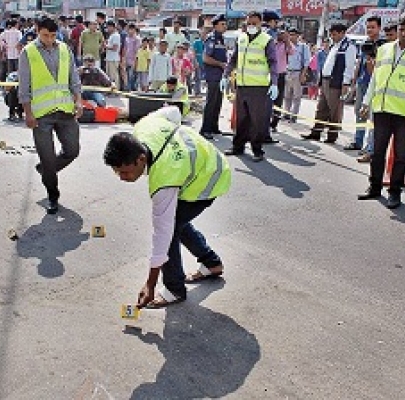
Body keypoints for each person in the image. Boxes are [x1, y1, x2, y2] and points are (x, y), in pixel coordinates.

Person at [102, 106, 230, 309]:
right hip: (206, 162)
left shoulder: (164, 180)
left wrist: (149, 284)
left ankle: (174, 289)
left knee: (169, 230)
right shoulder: (144, 127)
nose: (122, 178)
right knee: (176, 221)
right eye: (117, 172)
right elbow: (173, 112)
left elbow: (161, 236)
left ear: (141, 159)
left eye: (125, 172)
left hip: (210, 179)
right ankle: (211, 263)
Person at [358, 11, 405, 209]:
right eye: (401, 29)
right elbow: (375, 79)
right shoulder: (384, 49)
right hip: (382, 110)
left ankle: (395, 193)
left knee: (401, 156)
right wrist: (367, 102)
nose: (404, 34)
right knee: (377, 152)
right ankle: (374, 188)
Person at [18, 17, 83, 214]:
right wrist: (28, 114)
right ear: (37, 31)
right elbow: (24, 86)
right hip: (41, 115)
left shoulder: (64, 49)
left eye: (53, 35)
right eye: (45, 35)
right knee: (47, 158)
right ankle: (52, 195)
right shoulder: (28, 52)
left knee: (72, 150)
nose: (49, 39)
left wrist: (78, 101)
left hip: (65, 112)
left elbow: (74, 78)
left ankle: (45, 170)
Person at [221, 11, 278, 162]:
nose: (251, 26)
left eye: (254, 23)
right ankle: (238, 146)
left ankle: (257, 150)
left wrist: (274, 83)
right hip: (242, 85)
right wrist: (225, 75)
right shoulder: (241, 38)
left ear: (260, 24)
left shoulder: (267, 40)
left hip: (259, 87)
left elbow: (273, 62)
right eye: (249, 23)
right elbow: (233, 60)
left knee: (256, 120)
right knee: (241, 119)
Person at [302, 23, 356, 144]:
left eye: (335, 34)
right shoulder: (334, 46)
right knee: (321, 108)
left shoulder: (349, 47)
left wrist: (345, 84)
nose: (332, 36)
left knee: (334, 110)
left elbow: (349, 67)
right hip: (326, 80)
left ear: (342, 33)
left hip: (336, 83)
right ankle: (316, 132)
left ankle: (332, 136)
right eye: (331, 34)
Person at [345, 16, 381, 153]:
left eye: (373, 27)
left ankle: (370, 147)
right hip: (361, 82)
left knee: (372, 116)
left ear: (379, 28)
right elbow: (359, 63)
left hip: (375, 85)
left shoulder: (382, 46)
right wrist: (353, 81)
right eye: (368, 27)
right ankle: (358, 141)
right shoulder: (364, 43)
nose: (370, 30)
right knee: (359, 112)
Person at [200, 15, 227, 139]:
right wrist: (220, 64)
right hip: (213, 75)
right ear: (215, 26)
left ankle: (214, 127)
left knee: (218, 102)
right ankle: (205, 129)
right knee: (211, 102)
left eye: (225, 24)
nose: (224, 26)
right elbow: (205, 58)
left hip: (220, 76)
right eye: (222, 24)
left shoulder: (221, 39)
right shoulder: (211, 39)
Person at [269, 28, 294, 133]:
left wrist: (287, 40)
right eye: (279, 34)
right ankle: (265, 121)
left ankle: (274, 123)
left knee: (278, 100)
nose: (281, 36)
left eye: (283, 35)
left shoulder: (286, 46)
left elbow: (292, 51)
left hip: (281, 75)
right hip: (270, 75)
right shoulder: (272, 44)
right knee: (268, 100)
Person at [283, 27, 310, 124]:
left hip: (298, 72)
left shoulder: (303, 47)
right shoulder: (286, 46)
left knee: (297, 96)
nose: (291, 36)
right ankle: (286, 113)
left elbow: (307, 62)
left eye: (293, 34)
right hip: (287, 71)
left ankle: (294, 116)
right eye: (290, 34)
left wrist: (303, 74)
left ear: (298, 35)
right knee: (286, 95)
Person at [123, 23, 141, 91]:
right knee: (128, 77)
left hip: (134, 61)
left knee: (132, 77)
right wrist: (124, 59)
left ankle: (132, 91)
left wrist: (135, 63)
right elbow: (125, 49)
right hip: (127, 60)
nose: (130, 31)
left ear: (134, 30)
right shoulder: (127, 38)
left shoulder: (137, 39)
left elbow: (137, 52)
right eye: (129, 29)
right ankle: (129, 91)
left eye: (131, 29)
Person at [104, 20, 121, 90]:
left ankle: (115, 90)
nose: (107, 29)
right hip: (109, 58)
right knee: (109, 76)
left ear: (112, 27)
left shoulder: (116, 36)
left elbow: (115, 48)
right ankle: (111, 90)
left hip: (113, 59)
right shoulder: (112, 35)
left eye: (108, 27)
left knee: (114, 76)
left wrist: (105, 46)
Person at [191, 27, 206, 96]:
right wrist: (195, 61)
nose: (204, 35)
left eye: (205, 34)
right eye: (203, 34)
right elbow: (193, 53)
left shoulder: (207, 43)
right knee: (198, 78)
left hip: (205, 63)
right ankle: (197, 91)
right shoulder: (196, 42)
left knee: (205, 78)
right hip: (198, 62)